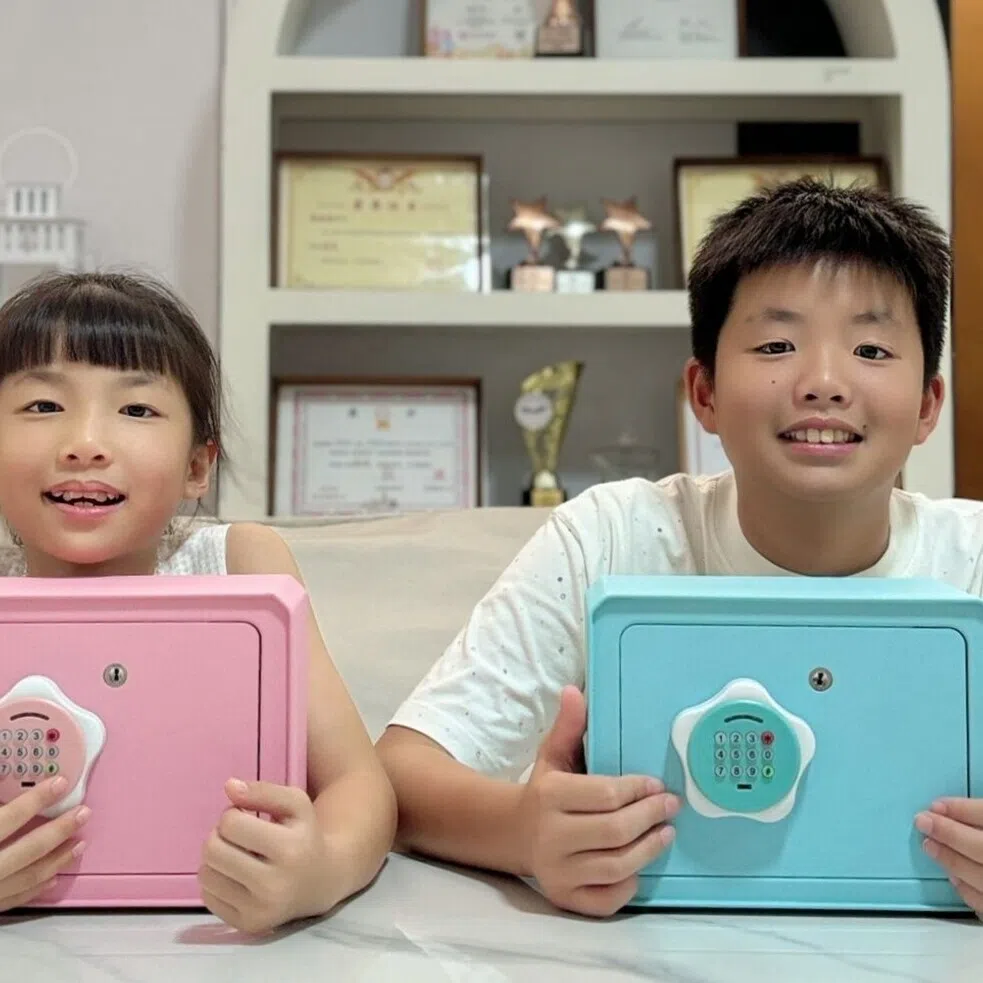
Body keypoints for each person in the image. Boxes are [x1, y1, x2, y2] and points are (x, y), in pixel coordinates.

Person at [378, 178, 983, 920]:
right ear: (704, 392)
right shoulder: (612, 539)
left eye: (870, 348)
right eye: (776, 344)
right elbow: (400, 773)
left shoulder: (973, 561)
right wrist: (523, 833)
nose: (823, 383)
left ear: (926, 404)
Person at [0, 271, 396, 933]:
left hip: (214, 937)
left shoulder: (243, 566)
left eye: (136, 410)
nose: (85, 443)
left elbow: (360, 786)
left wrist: (320, 870)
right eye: (43, 405)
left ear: (196, 467)